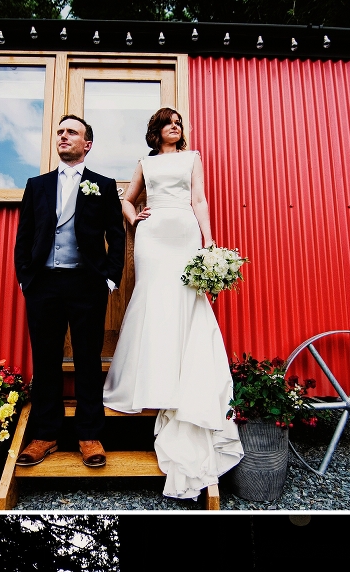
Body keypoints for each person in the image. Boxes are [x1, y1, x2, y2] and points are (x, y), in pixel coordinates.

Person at [103, 107, 242, 501]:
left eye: (179, 122)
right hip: (152, 236)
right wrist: (135, 218)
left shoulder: (193, 158)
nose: (175, 126)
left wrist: (209, 241)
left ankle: (181, 380)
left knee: (184, 300)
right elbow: (126, 200)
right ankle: (148, 381)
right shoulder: (145, 163)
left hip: (183, 233)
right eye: (168, 122)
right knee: (151, 301)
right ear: (157, 130)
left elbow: (199, 200)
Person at [14, 115, 126, 473]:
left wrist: (110, 278)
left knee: (88, 361)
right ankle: (45, 435)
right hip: (43, 284)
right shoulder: (37, 185)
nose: (63, 136)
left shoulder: (103, 186)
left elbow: (117, 235)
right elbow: (25, 235)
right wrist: (25, 277)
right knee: (45, 359)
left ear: (87, 144)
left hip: (86, 284)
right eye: (59, 131)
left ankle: (89, 435)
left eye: (71, 132)